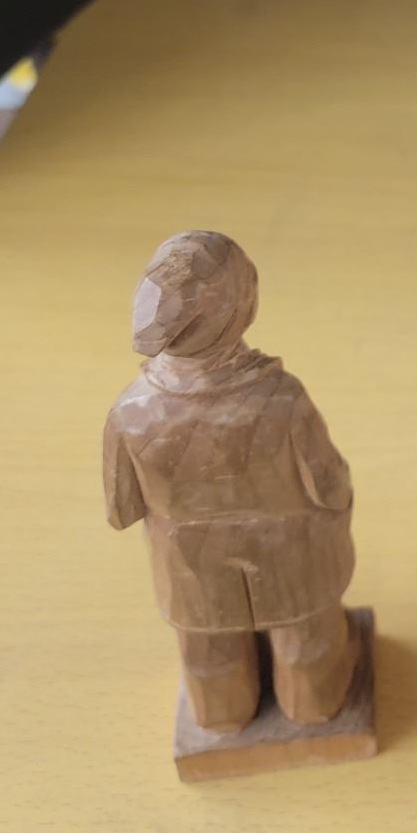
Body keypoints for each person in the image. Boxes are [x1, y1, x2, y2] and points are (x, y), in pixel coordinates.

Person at [103, 231, 357, 732]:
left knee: (208, 656)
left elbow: (121, 511)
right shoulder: (282, 399)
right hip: (292, 564)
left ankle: (222, 715)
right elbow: (329, 484)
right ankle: (312, 708)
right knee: (307, 645)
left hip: (192, 575)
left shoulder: (129, 413)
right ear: (244, 307)